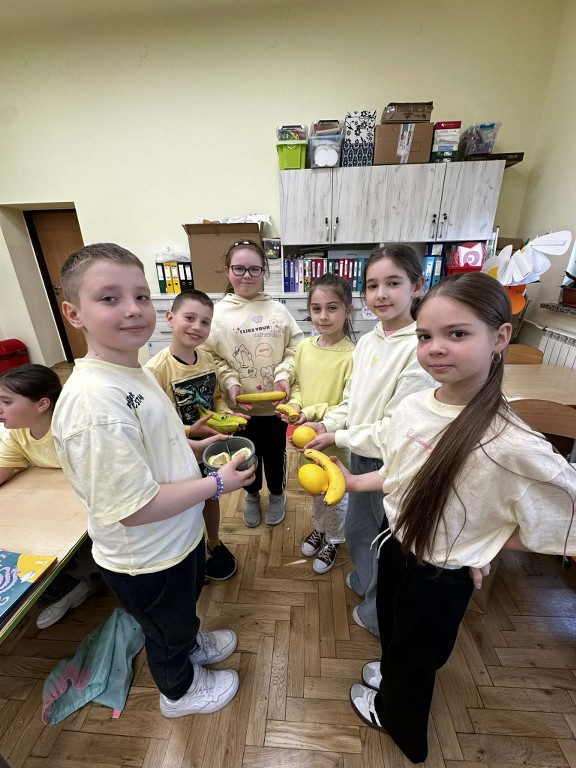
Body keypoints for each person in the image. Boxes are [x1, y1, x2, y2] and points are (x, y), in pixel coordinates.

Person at [343, 272, 576, 763]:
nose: (435, 348)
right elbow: (401, 474)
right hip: (395, 546)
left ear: (500, 337)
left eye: (457, 333)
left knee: (417, 657)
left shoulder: (512, 444)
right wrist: (354, 482)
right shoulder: (413, 407)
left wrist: (484, 542)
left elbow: (564, 521)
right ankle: (395, 673)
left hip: (439, 575)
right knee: (397, 635)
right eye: (425, 336)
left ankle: (398, 721)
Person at [51, 243, 256, 718]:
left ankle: (189, 643)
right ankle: (178, 691)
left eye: (141, 296)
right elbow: (135, 507)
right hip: (146, 558)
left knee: (180, 616)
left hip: (176, 540)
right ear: (74, 313)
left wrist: (191, 448)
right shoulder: (94, 405)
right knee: (165, 631)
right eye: (110, 298)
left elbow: (148, 446)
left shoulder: (131, 371)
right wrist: (217, 484)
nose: (132, 309)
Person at [303, 245, 434, 634]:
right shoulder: (369, 341)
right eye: (372, 285)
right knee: (360, 529)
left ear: (417, 286)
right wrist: (328, 425)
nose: (381, 294)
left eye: (393, 283)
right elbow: (351, 400)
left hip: (389, 463)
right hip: (360, 454)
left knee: (386, 544)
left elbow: (395, 430)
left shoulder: (418, 348)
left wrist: (338, 435)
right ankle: (364, 581)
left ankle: (379, 615)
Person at [203, 239, 303, 528]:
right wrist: (231, 382)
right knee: (246, 454)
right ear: (227, 271)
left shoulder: (279, 311)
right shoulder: (217, 315)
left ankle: (277, 494)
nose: (246, 275)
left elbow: (295, 349)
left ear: (264, 272)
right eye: (239, 268)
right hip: (240, 409)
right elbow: (212, 356)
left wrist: (283, 376)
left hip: (275, 407)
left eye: (254, 269)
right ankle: (251, 494)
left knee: (274, 454)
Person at [146, 288, 244, 582]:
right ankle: (189, 555)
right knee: (186, 506)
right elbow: (157, 424)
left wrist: (226, 417)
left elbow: (216, 398)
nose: (197, 327)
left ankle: (213, 541)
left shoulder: (207, 359)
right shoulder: (155, 371)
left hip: (210, 445)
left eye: (205, 322)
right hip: (178, 452)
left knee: (211, 495)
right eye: (189, 318)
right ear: (170, 318)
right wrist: (191, 430)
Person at [0, 364, 100, 629]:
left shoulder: (74, 427)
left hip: (91, 505)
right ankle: (67, 583)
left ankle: (77, 583)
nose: (0, 409)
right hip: (57, 506)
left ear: (42, 404)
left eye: (6, 402)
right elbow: (3, 469)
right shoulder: (17, 431)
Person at [280, 273, 354, 573]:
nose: (323, 316)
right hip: (306, 435)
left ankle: (334, 539)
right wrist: (296, 405)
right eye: (316, 308)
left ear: (348, 310)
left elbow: (349, 405)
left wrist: (310, 412)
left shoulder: (353, 356)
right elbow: (298, 384)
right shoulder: (304, 347)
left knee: (335, 493)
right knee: (315, 489)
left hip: (335, 439)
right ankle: (320, 529)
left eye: (332, 308)